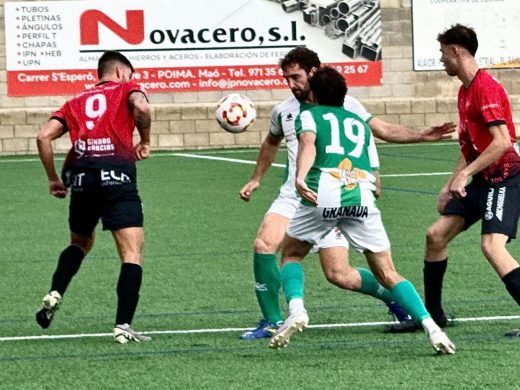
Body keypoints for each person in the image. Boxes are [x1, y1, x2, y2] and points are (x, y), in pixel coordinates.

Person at [239, 47, 455, 339]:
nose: (291, 84)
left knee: (338, 274)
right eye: (286, 78)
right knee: (265, 244)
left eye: (296, 77)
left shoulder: (345, 103)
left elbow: (379, 131)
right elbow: (271, 143)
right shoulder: (283, 111)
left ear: (313, 73)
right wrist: (256, 179)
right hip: (295, 195)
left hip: (330, 192)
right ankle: (272, 321)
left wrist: (416, 137)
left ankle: (392, 298)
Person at [397, 24, 520, 336]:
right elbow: (470, 149)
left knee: (492, 246)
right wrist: (448, 184)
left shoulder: (486, 88)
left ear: (455, 52)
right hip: (481, 177)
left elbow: (502, 141)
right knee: (435, 236)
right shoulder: (465, 91)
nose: (440, 59)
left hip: (505, 175)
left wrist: (466, 174)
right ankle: (433, 316)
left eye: (442, 53)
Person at [35, 51, 152, 344]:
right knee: (131, 253)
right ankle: (123, 326)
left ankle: (55, 292)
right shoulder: (128, 89)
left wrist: (53, 178)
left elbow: (43, 136)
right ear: (122, 72)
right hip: (117, 176)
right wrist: (146, 140)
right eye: (130, 75)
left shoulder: (75, 102)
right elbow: (141, 108)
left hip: (82, 178)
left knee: (80, 243)